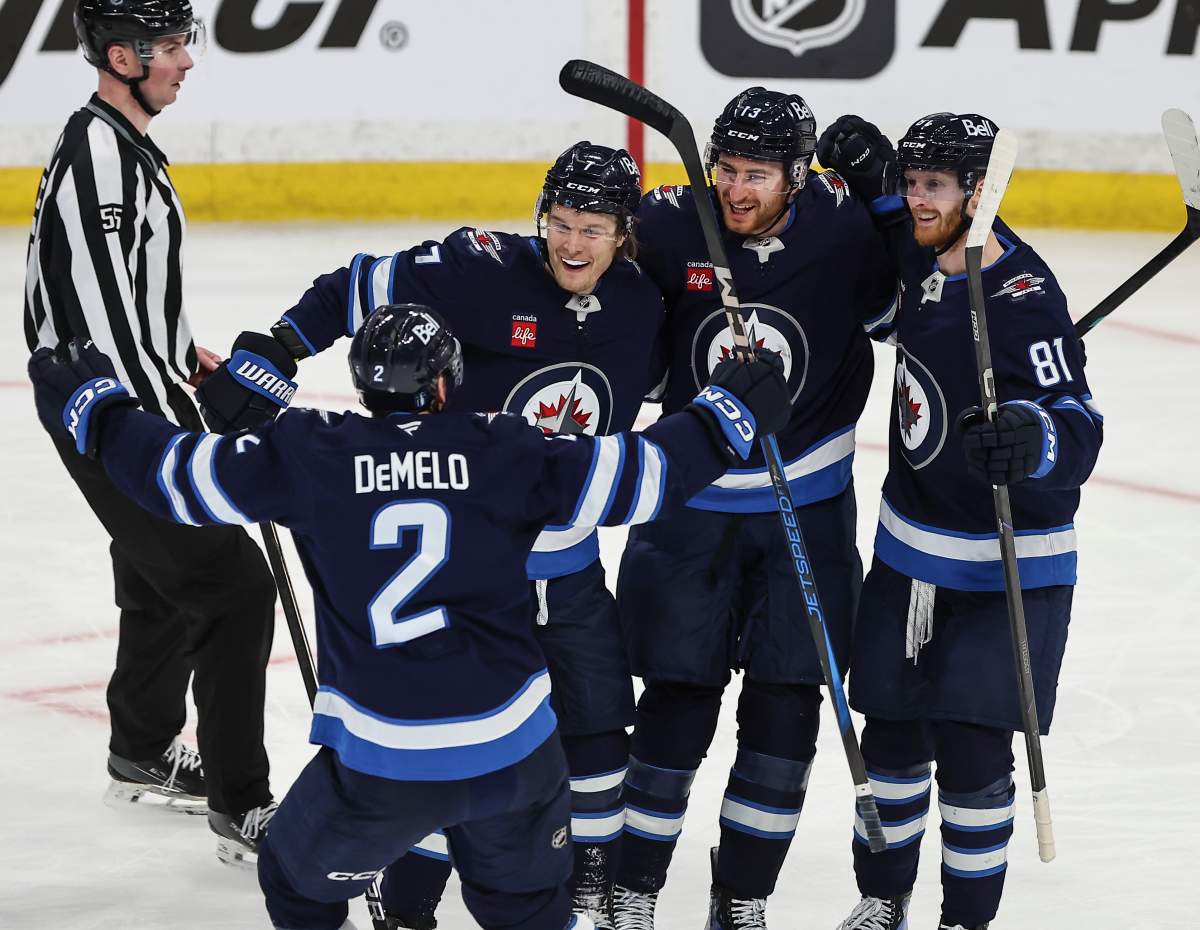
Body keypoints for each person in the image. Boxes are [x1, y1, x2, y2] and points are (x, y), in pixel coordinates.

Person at [28, 302, 791, 930]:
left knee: (296, 886)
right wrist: (726, 417)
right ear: (445, 385)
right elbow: (643, 477)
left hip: (380, 768)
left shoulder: (309, 453)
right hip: (513, 758)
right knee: (526, 909)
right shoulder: (508, 449)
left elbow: (173, 479)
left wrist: (96, 410)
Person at [194, 141, 664, 927]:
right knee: (448, 751)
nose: (572, 244)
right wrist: (274, 350)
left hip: (573, 566)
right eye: (561, 222)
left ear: (625, 235)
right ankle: (411, 902)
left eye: (593, 229)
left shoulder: (643, 303)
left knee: (597, 732)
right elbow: (355, 288)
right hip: (476, 570)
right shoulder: (478, 269)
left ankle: (582, 880)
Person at [609, 88, 898, 929]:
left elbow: (915, 301)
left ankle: (742, 898)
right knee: (675, 696)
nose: (737, 190)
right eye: (726, 171)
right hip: (690, 506)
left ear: (798, 175)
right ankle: (634, 887)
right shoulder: (668, 225)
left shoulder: (845, 229)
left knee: (785, 707)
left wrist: (884, 191)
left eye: (757, 175)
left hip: (805, 504)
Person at [815, 112, 1103, 930]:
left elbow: (1080, 422)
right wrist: (871, 180)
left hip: (1008, 566)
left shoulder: (1024, 296)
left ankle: (962, 922)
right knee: (893, 747)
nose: (916, 201)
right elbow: (886, 288)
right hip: (910, 556)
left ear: (980, 192)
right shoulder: (921, 241)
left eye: (932, 187)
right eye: (911, 184)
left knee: (974, 760)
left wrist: (1032, 437)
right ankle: (883, 901)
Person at [22, 0, 279, 863]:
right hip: (101, 410)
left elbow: (128, 300)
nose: (186, 61)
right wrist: (172, 437)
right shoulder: (99, 152)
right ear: (122, 56)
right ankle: (242, 805)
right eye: (170, 47)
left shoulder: (119, 142)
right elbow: (97, 326)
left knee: (157, 569)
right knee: (232, 584)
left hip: (116, 395)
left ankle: (138, 746)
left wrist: (184, 360)